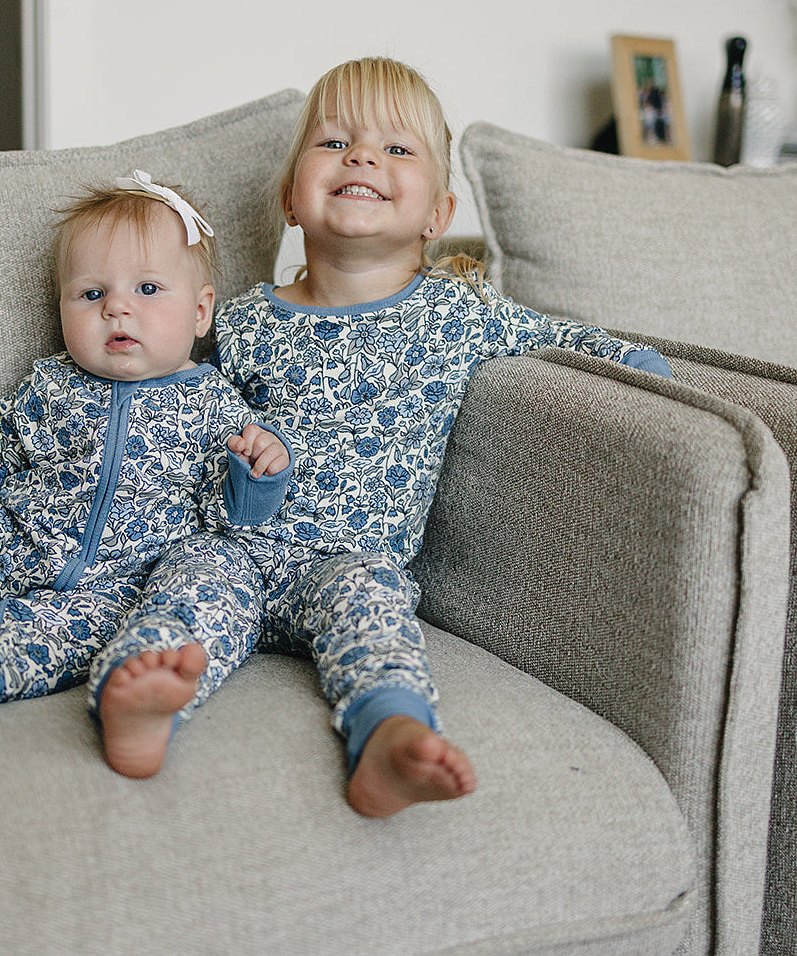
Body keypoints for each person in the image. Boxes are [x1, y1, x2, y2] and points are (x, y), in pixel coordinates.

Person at [85, 57, 671, 814]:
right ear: (291, 199)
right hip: (234, 543)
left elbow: (567, 338)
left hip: (352, 562)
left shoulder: (460, 311)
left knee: (377, 620)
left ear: (436, 212)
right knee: (184, 589)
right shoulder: (238, 320)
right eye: (334, 142)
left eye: (397, 150)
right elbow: (176, 411)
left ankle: (388, 738)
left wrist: (643, 366)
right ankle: (136, 702)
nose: (362, 156)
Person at [0, 171, 292, 724]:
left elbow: (226, 517)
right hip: (20, 539)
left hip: (121, 582)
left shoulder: (215, 402)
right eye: (92, 294)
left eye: (148, 289)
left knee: (79, 634)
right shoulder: (53, 383)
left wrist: (257, 477)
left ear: (201, 312)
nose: (116, 308)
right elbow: (2, 447)